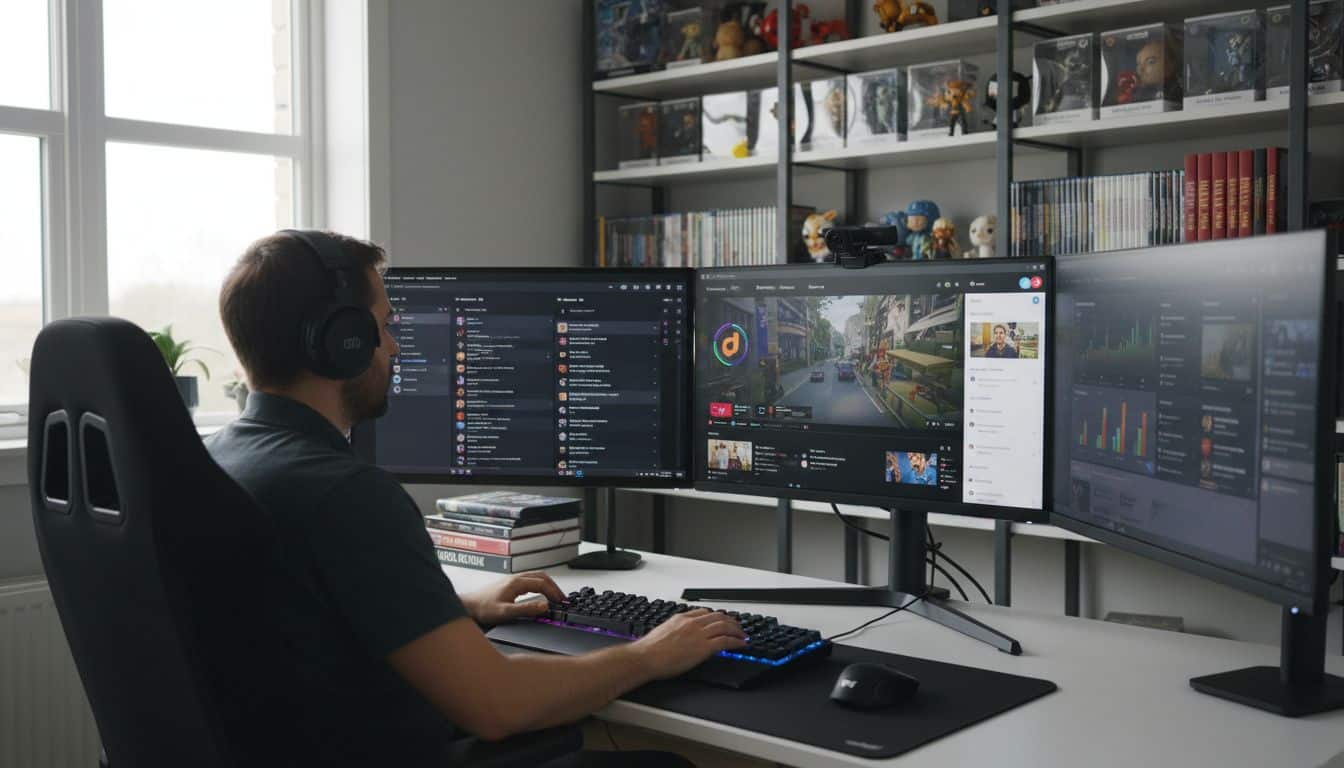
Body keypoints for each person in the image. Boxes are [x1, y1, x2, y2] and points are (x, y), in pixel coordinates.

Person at [207, 231, 744, 767]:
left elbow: (297, 621)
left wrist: (459, 610)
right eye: (385, 326)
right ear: (341, 339)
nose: (394, 347)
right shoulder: (346, 494)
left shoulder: (217, 459)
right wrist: (650, 654)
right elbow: (497, 706)